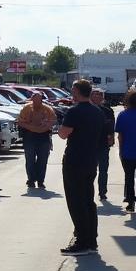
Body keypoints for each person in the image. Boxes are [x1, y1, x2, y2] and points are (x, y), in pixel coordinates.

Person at [57, 78, 106, 254]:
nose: (71, 93)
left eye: (73, 90)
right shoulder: (98, 111)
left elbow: (63, 134)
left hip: (74, 160)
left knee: (76, 201)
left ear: (78, 92)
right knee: (88, 200)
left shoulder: (74, 111)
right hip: (91, 160)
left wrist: (60, 128)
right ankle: (91, 240)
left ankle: (82, 241)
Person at [17, 90, 56, 188]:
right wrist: (32, 127)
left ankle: (40, 181)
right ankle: (31, 179)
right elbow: (20, 122)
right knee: (30, 159)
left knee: (42, 160)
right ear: (32, 100)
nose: (36, 102)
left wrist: (43, 128)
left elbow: (52, 121)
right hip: (30, 137)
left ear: (41, 100)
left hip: (44, 137)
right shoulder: (26, 109)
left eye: (39, 100)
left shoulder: (48, 109)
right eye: (34, 100)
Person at [89, 87, 116, 200]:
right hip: (89, 145)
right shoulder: (87, 110)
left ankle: (102, 192)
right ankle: (89, 191)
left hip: (103, 144)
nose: (98, 96)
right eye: (95, 94)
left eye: (100, 95)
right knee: (90, 170)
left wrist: (111, 138)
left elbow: (111, 126)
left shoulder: (108, 111)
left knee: (103, 170)